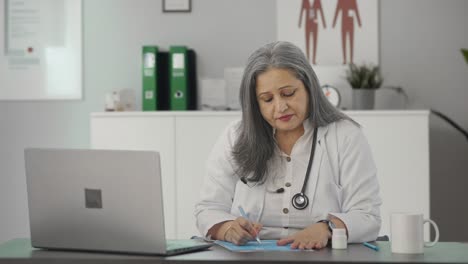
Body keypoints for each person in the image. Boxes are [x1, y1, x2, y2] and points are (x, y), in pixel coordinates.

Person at [194, 41, 381, 250]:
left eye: (288, 93)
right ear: (255, 103)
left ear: (309, 87)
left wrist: (327, 227)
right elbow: (208, 209)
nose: (280, 107)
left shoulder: (345, 135)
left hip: (320, 256)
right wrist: (227, 228)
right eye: (267, 99)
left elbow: (367, 216)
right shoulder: (235, 136)